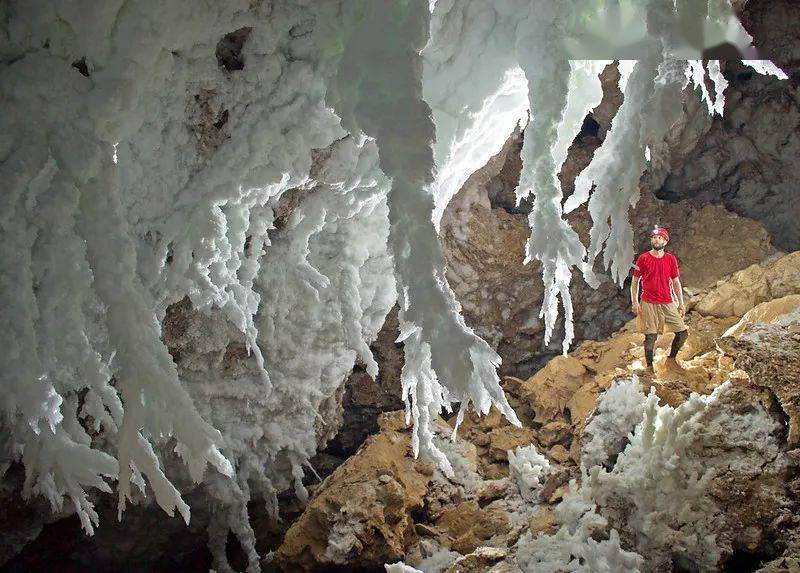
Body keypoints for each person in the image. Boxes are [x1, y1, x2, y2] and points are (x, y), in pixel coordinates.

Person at [630, 227, 688, 374]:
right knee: (651, 337)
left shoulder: (670, 259)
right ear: (651, 240)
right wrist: (635, 302)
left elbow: (676, 282)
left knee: (682, 333)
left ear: (665, 241)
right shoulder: (643, 258)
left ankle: (671, 359)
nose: (657, 240)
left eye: (660, 238)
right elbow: (635, 281)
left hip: (667, 302)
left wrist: (681, 303)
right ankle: (649, 368)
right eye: (654, 238)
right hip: (648, 302)